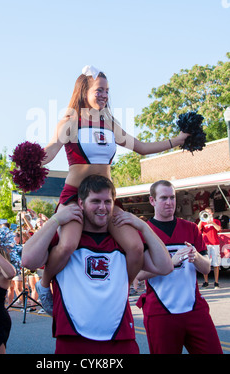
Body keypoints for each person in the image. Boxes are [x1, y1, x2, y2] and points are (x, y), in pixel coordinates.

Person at [36, 65, 189, 313]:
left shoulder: (109, 122)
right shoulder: (69, 120)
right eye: (100, 90)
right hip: (75, 195)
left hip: (106, 198)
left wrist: (177, 141)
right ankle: (44, 285)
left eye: (107, 90)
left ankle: (120, 290)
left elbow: (141, 147)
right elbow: (51, 151)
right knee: (66, 246)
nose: (104, 95)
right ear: (84, 90)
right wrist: (30, 159)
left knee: (135, 247)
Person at [21, 175, 173, 354]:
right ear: (81, 203)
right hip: (72, 339)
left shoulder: (124, 243)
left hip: (121, 338)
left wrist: (143, 227)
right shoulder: (64, 240)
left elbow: (165, 267)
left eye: (107, 201)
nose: (102, 207)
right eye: (95, 201)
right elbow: (28, 260)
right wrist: (55, 220)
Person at [136, 180, 223, 354]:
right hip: (161, 311)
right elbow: (137, 274)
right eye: (163, 198)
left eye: (172, 197)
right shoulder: (143, 231)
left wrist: (196, 256)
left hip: (194, 308)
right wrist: (168, 263)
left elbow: (206, 268)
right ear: (152, 200)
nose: (169, 202)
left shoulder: (190, 228)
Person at [197, 207, 221, 289]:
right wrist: (201, 219)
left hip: (215, 244)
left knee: (216, 263)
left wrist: (212, 223)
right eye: (206, 212)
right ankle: (206, 281)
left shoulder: (216, 221)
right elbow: (197, 229)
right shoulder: (203, 222)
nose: (207, 213)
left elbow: (219, 229)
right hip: (206, 244)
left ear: (212, 213)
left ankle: (216, 282)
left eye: (208, 212)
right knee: (206, 263)